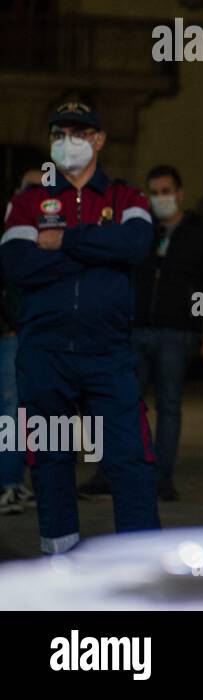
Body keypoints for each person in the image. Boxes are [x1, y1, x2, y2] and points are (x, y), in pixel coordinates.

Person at [0, 101, 159, 553]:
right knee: (50, 460)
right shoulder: (27, 200)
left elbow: (135, 244)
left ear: (99, 140)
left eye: (78, 132)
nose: (67, 142)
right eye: (58, 133)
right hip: (45, 353)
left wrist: (64, 240)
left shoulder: (126, 198)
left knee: (130, 459)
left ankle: (141, 563)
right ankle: (61, 562)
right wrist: (95, 255)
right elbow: (16, 263)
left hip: (108, 353)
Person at [77, 165, 203, 502]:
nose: (160, 198)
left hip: (177, 333)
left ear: (179, 193)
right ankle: (108, 472)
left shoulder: (201, 234)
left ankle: (161, 478)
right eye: (154, 192)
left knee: (169, 406)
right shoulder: (141, 231)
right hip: (136, 329)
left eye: (166, 191)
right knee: (121, 403)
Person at [0, 168, 43, 515]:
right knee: (13, 414)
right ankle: (8, 484)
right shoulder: (11, 231)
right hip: (13, 334)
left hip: (33, 332)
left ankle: (15, 482)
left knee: (23, 415)